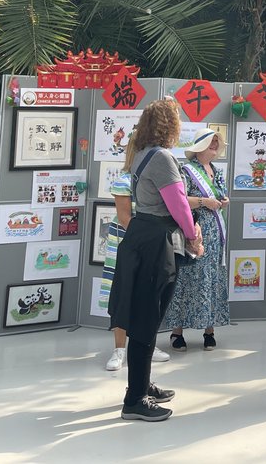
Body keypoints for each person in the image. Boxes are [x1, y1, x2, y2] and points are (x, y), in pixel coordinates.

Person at [107, 98, 203, 422]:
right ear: (169, 126)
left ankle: (142, 385)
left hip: (142, 237)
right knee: (147, 321)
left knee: (143, 318)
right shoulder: (162, 157)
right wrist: (192, 236)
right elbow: (178, 204)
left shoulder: (141, 154)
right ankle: (134, 400)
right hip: (156, 242)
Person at [162, 128, 231, 351]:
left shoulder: (216, 170)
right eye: (210, 141)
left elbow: (219, 196)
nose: (214, 145)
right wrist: (204, 202)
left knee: (212, 279)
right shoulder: (187, 170)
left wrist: (223, 201)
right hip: (195, 230)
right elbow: (179, 201)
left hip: (216, 234)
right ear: (199, 145)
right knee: (186, 279)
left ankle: (209, 330)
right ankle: (177, 331)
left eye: (216, 142)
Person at [102, 157, 171, 371]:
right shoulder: (124, 181)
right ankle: (119, 349)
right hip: (127, 244)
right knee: (124, 294)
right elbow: (124, 218)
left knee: (149, 295)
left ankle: (147, 345)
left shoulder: (157, 181)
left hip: (150, 245)